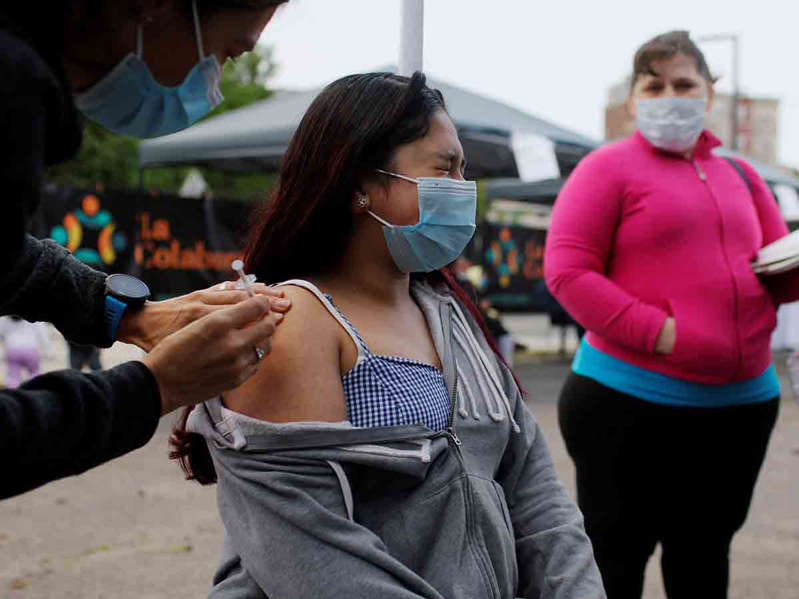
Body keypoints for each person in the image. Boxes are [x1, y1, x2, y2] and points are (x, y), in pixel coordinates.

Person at [171, 72, 605, 599]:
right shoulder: (298, 322)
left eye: (464, 171)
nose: (463, 191)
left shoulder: (451, 315)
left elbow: (537, 494)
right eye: (444, 170)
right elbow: (314, 558)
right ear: (358, 184)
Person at [0, 0, 291, 499]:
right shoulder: (9, 89)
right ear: (149, 8)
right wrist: (156, 386)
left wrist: (129, 315)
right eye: (224, 53)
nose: (214, 85)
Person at [544, 30, 797, 599]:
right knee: (616, 561)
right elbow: (568, 271)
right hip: (629, 407)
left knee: (704, 557)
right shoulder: (606, 168)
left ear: (710, 93)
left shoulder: (743, 175)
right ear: (633, 100)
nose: (670, 96)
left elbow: (776, 271)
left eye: (684, 84)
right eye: (653, 85)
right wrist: (663, 334)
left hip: (741, 410)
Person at [0, 316, 50, 388]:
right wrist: (47, 349)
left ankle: (13, 394)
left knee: (13, 377)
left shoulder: (6, 317)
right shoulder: (33, 317)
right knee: (34, 373)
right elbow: (42, 334)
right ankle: (36, 391)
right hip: (30, 349)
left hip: (12, 349)